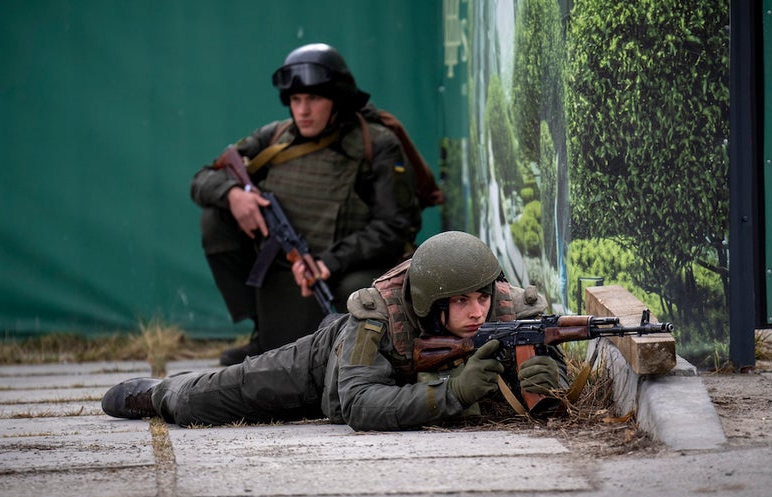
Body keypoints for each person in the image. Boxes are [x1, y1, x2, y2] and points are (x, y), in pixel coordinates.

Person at [102, 231, 568, 431]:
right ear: (430, 304)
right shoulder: (377, 316)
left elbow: (553, 373)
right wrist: (456, 392)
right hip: (325, 365)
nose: (476, 311)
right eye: (461, 302)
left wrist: (549, 381)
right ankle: (155, 392)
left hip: (383, 380)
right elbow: (359, 405)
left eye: (481, 297)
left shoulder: (516, 311)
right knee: (196, 403)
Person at [190, 43, 422, 366]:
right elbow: (202, 179)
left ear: (337, 99)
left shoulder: (376, 144)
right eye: (296, 100)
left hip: (345, 268)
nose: (303, 110)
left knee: (355, 294)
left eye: (313, 99)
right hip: (287, 265)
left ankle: (358, 352)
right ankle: (262, 333)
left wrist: (331, 261)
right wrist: (233, 194)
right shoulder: (276, 137)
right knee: (216, 219)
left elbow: (393, 228)